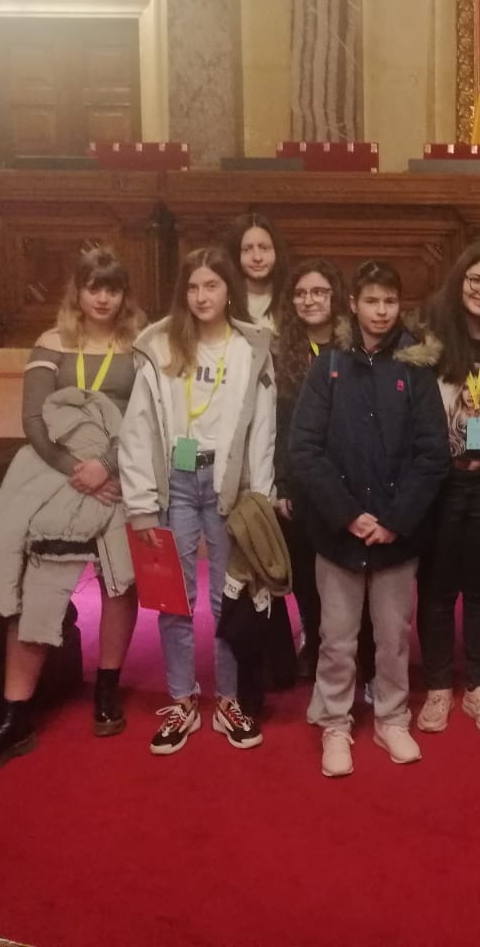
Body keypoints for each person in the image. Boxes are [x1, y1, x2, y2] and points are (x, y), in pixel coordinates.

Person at [0, 246, 146, 775]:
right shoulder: (51, 342)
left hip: (120, 474)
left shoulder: (141, 346)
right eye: (93, 287)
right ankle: (15, 713)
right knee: (40, 575)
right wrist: (75, 468)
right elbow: (34, 420)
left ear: (124, 294)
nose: (103, 298)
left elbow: (148, 416)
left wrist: (107, 466)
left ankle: (107, 688)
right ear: (78, 291)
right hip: (55, 471)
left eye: (112, 288)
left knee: (120, 579)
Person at [290, 261, 450, 777]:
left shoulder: (416, 369)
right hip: (339, 533)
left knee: (393, 637)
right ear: (353, 304)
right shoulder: (329, 366)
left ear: (400, 305)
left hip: (395, 533)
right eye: (372, 301)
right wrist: (346, 514)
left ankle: (392, 717)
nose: (381, 311)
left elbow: (433, 455)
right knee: (336, 638)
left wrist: (394, 520)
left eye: (390, 301)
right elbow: (305, 448)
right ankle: (335, 723)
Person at [120, 246, 277, 756]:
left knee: (227, 598)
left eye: (211, 285)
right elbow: (139, 429)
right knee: (175, 598)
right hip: (176, 482)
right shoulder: (160, 345)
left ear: (229, 289)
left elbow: (264, 431)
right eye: (192, 287)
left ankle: (228, 700)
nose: (202, 296)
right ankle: (182, 700)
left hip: (227, 485)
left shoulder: (250, 348)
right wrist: (141, 504)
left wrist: (260, 500)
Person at [414, 240, 480, 737]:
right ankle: (438, 685)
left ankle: (479, 686)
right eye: (477, 279)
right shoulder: (429, 338)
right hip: (440, 481)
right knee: (437, 590)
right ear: (460, 278)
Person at [272, 257, 348, 681]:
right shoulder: (282, 351)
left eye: (319, 291)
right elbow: (278, 424)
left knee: (344, 571)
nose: (309, 300)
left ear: (336, 296)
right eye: (300, 293)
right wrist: (282, 482)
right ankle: (315, 642)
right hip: (299, 479)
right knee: (304, 570)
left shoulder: (353, 347)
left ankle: (348, 647)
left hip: (345, 478)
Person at [226, 212, 289, 330]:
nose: (257, 258)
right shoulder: (225, 298)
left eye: (264, 248)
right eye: (247, 249)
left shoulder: (292, 297)